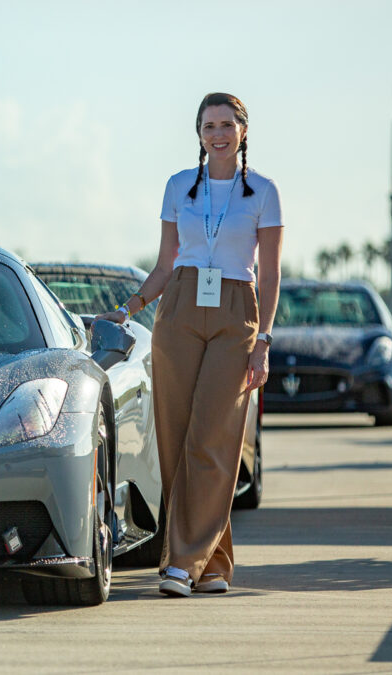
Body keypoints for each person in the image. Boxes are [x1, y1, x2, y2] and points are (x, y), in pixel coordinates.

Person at [97, 92, 283, 597]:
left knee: (214, 438)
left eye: (227, 124)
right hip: (178, 308)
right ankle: (214, 563)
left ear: (243, 131)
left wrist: (263, 340)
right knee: (176, 439)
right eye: (209, 126)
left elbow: (269, 276)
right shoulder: (179, 186)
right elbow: (163, 266)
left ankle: (180, 564)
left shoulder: (263, 192)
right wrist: (130, 308)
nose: (218, 134)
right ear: (198, 133)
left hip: (236, 311)